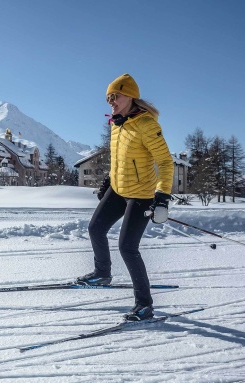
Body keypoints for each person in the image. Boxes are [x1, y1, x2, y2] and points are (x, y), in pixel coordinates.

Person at [77, 73, 174, 321]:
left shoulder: (147, 125)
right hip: (118, 189)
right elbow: (118, 159)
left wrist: (162, 197)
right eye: (108, 97)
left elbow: (165, 162)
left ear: (129, 95)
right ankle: (102, 273)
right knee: (95, 228)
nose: (111, 101)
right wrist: (108, 182)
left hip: (141, 194)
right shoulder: (116, 124)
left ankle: (144, 305)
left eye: (115, 96)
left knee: (127, 248)